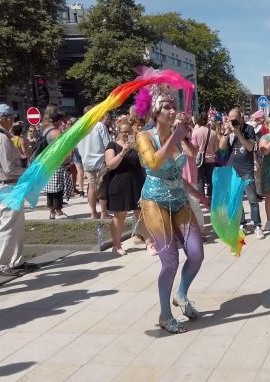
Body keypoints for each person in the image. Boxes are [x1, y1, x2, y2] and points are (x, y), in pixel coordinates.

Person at [136, 87, 208, 334]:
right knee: (170, 262)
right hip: (154, 201)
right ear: (155, 112)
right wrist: (175, 137)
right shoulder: (144, 136)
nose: (171, 110)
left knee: (197, 254)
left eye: (172, 106)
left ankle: (181, 294)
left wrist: (201, 197)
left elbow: (180, 174)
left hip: (179, 199)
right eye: (165, 107)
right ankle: (165, 315)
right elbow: (154, 163)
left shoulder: (177, 137)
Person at [0, 104, 39, 277]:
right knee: (8, 225)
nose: (14, 122)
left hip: (7, 184)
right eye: (13, 119)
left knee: (16, 225)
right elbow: (8, 167)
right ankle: (0, 264)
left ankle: (16, 260)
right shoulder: (1, 138)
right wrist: (28, 172)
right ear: (6, 119)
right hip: (8, 185)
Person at [220, 108, 265, 239]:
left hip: (246, 170)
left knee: (252, 200)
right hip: (232, 170)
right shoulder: (228, 130)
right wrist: (226, 133)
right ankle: (242, 224)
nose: (232, 121)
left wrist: (238, 133)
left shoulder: (249, 129)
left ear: (241, 118)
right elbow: (222, 148)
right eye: (230, 119)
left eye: (235, 119)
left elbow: (250, 147)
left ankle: (257, 226)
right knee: (236, 200)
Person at [104, 120, 145, 255]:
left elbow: (144, 164)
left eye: (129, 132)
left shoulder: (136, 145)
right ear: (118, 131)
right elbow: (110, 165)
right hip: (119, 184)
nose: (127, 135)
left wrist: (139, 150)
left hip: (136, 183)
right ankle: (116, 245)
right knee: (119, 216)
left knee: (141, 214)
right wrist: (123, 152)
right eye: (124, 132)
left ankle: (150, 242)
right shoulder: (112, 145)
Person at [76, 106, 111, 219]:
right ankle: (104, 213)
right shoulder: (99, 125)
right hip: (101, 160)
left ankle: (93, 212)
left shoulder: (79, 128)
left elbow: (77, 146)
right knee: (102, 187)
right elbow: (108, 143)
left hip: (87, 161)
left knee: (91, 187)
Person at [42, 112, 70, 219]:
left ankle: (52, 211)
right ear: (58, 121)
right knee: (57, 188)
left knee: (50, 189)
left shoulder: (45, 131)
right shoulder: (57, 132)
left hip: (47, 162)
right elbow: (61, 148)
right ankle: (58, 211)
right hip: (56, 162)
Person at [193, 113, 218, 199]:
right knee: (210, 179)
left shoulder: (195, 133)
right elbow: (216, 148)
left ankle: (201, 197)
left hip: (199, 159)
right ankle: (210, 196)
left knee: (200, 179)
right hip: (210, 159)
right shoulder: (213, 133)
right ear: (206, 121)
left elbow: (194, 148)